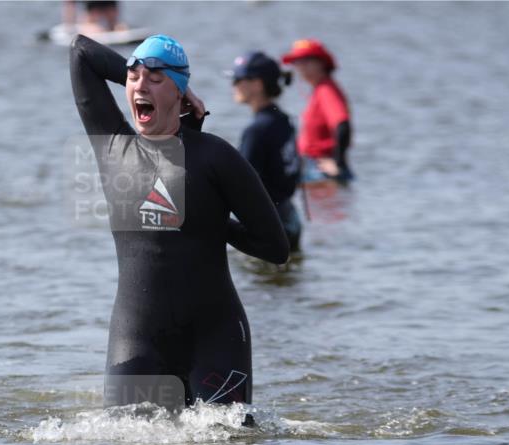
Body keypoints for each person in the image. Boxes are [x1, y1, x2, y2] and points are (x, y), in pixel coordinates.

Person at [70, 33, 289, 411]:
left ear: (179, 91)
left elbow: (276, 248)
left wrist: (211, 221)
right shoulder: (112, 145)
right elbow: (81, 53)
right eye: (134, 76)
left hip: (215, 339)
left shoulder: (216, 157)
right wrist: (146, 79)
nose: (141, 84)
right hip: (136, 342)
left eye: (156, 79)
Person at [229, 50, 302, 251]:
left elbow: (240, 186)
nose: (233, 85)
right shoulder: (284, 120)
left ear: (257, 84)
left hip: (270, 225)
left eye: (238, 79)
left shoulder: (256, 131)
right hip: (290, 218)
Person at [281, 39, 353, 183]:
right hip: (313, 168)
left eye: (306, 60)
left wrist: (338, 163)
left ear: (322, 63)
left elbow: (343, 124)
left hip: (320, 170)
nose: (300, 66)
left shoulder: (326, 90)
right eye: (297, 62)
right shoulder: (320, 90)